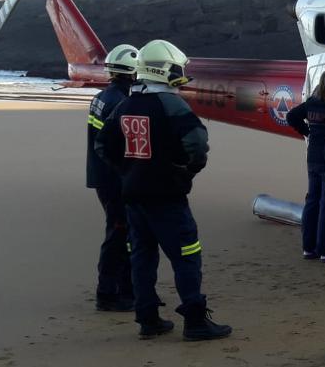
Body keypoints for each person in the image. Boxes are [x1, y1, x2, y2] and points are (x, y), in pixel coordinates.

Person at [95, 39, 232, 341]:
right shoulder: (172, 104)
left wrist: (127, 172)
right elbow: (197, 145)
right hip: (167, 198)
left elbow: (103, 145)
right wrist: (185, 171)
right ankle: (195, 321)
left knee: (142, 258)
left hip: (134, 198)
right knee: (187, 257)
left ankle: (148, 319)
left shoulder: (125, 104)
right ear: (166, 70)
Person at [86, 43, 140, 312]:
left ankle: (128, 290)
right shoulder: (121, 102)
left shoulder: (103, 97)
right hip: (115, 181)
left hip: (104, 178)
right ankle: (107, 294)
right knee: (118, 235)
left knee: (124, 234)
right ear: (132, 73)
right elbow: (120, 147)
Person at [286, 69, 325, 263]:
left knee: (312, 200)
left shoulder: (312, 103)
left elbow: (291, 116)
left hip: (312, 156)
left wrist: (307, 131)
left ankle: (308, 247)